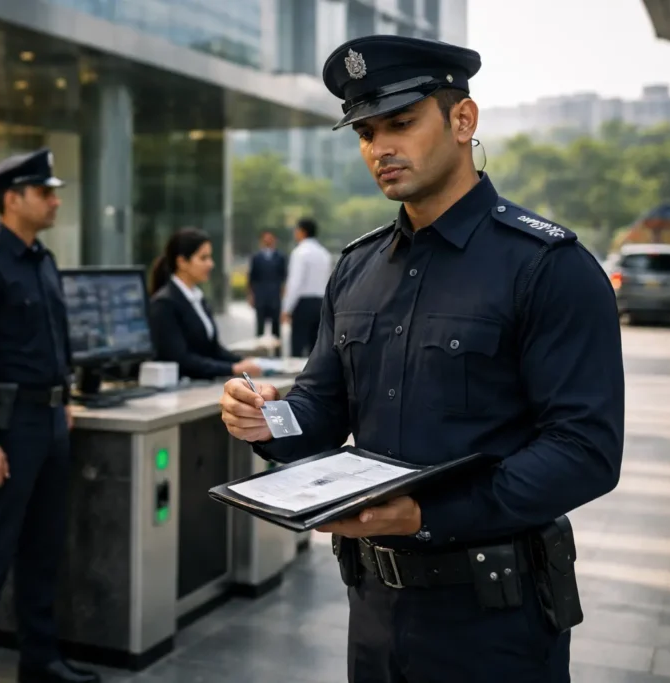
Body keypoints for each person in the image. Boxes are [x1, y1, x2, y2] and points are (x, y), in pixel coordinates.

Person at [219, 35, 624, 683]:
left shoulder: (547, 267)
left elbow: (585, 450)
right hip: (374, 611)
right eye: (365, 133)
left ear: (462, 120)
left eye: (401, 123)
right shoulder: (356, 270)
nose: (379, 148)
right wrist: (268, 420)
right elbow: (320, 405)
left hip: (495, 620)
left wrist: (429, 515)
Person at [0, 149, 100, 683]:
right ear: (12, 199)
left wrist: (66, 397)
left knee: (43, 548)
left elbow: (57, 341)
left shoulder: (43, 261)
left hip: (51, 421)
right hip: (7, 429)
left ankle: (40, 660)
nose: (55, 201)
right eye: (44, 192)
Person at [149, 227, 264, 380]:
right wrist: (232, 368)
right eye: (203, 258)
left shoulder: (197, 298)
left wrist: (241, 362)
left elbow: (212, 349)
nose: (211, 264)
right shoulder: (165, 304)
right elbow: (180, 359)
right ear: (182, 262)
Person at [281, 217, 333, 357]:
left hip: (303, 304)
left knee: (298, 346)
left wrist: (286, 308)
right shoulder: (324, 253)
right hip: (321, 303)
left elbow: (295, 283)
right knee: (316, 349)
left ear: (302, 232)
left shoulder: (300, 253)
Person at [248, 230, 288, 339]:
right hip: (260, 295)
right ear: (261, 240)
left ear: (274, 240)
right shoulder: (256, 257)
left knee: (276, 326)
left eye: (270, 238)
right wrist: (251, 295)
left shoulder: (280, 257)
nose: (268, 240)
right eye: (265, 238)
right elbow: (252, 277)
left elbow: (284, 276)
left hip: (275, 295)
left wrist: (284, 293)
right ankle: (259, 346)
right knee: (260, 325)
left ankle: (277, 348)